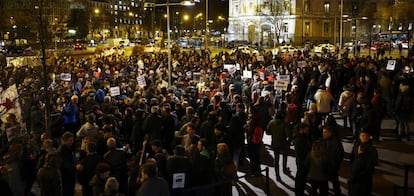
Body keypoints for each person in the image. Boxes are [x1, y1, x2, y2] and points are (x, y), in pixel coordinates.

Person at [267, 110, 290, 180]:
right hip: (283, 143)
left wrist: (274, 133)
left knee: (276, 159)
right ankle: (284, 168)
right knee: (284, 157)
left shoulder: (271, 122)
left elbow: (268, 131)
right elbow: (288, 134)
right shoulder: (284, 123)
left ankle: (277, 175)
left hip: (275, 142)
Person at [322, 126, 344, 196]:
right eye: (323, 132)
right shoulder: (323, 141)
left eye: (325, 132)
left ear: (330, 133)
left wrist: (336, 164)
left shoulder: (336, 142)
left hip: (333, 166)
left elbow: (341, 154)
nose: (323, 134)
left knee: (335, 183)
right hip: (325, 166)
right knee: (324, 183)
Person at [294, 123, 312, 196]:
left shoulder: (302, 137)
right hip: (302, 162)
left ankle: (300, 192)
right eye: (306, 129)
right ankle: (299, 193)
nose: (308, 131)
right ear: (301, 129)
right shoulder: (300, 139)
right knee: (300, 178)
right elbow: (306, 150)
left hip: (302, 161)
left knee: (302, 178)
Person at [57, 131, 76, 196]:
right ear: (64, 141)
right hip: (65, 178)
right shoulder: (61, 151)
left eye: (72, 140)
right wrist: (74, 167)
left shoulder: (69, 148)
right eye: (70, 140)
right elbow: (63, 164)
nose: (72, 142)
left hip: (70, 177)